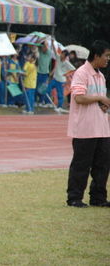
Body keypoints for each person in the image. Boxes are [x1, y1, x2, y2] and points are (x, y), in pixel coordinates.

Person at [66, 40, 110, 208]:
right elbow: (78, 97)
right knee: (81, 165)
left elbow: (96, 99)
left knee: (103, 165)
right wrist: (100, 98)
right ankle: (74, 198)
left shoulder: (101, 76)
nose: (107, 59)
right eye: (106, 56)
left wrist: (103, 104)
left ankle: (98, 198)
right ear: (96, 55)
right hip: (85, 129)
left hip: (102, 128)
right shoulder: (82, 73)